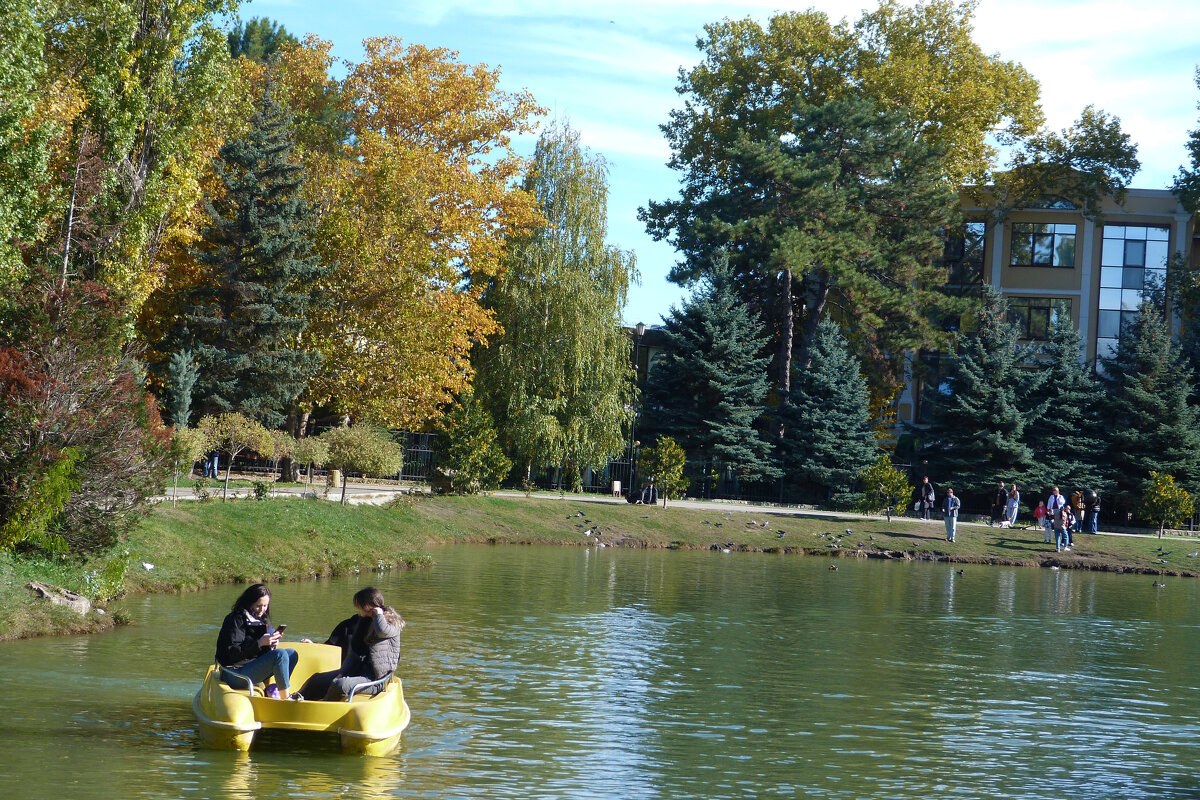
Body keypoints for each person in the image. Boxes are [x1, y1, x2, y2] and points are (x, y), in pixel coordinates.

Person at [298, 586, 405, 701]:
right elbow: (354, 654)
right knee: (317, 679)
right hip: (358, 671)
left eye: (359, 606)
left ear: (367, 606)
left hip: (376, 679)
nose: (358, 609)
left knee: (341, 685)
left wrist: (378, 614)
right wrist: (342, 673)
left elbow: (381, 631)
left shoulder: (392, 624)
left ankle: (322, 708)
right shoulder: (363, 623)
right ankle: (296, 702)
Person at [215, 584, 299, 700]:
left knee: (291, 654)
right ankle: (285, 698)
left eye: (265, 605)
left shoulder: (261, 619)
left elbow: (259, 653)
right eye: (258, 606)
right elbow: (232, 654)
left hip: (250, 667)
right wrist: (259, 643)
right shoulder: (235, 620)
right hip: (234, 672)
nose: (262, 609)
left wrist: (270, 644)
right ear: (249, 603)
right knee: (280, 655)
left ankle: (276, 689)